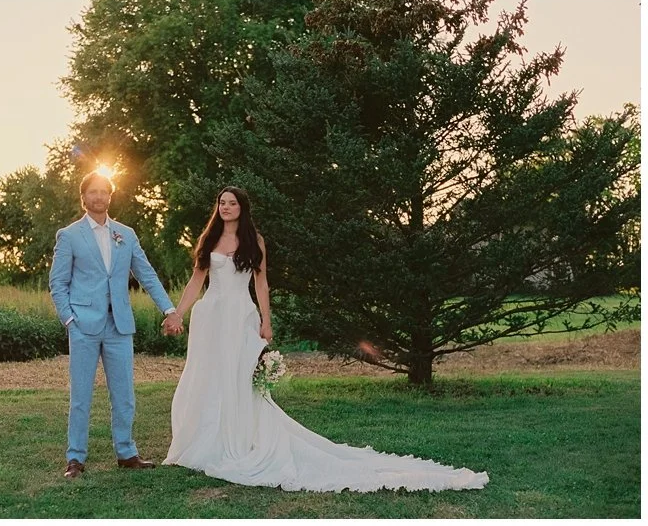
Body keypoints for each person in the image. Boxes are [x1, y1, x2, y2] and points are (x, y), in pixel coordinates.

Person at [162, 186, 489, 492]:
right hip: (211, 317)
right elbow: (196, 280)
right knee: (207, 377)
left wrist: (266, 320)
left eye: (232, 203)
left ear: (242, 209)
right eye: (222, 202)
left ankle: (238, 440)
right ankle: (206, 442)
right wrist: (178, 312)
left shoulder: (254, 241)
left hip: (240, 316)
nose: (226, 207)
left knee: (238, 378)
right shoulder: (210, 238)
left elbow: (262, 284)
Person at [49, 171, 183, 479]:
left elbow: (146, 274)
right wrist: (69, 319)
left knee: (124, 394)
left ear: (110, 196)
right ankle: (75, 458)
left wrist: (169, 309)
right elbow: (58, 283)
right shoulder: (69, 235)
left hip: (120, 326)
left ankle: (126, 452)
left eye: (104, 192)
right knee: (81, 395)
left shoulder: (126, 234)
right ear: (83, 198)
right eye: (92, 192)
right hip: (83, 325)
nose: (98, 197)